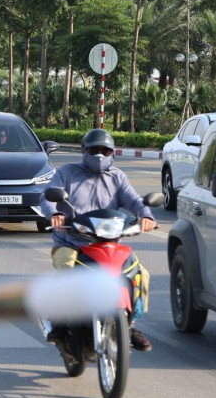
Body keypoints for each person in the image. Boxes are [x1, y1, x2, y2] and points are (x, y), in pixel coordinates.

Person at [38, 128, 157, 352]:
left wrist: (146, 215)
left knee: (140, 274)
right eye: (94, 150)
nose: (99, 155)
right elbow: (48, 195)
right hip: (72, 243)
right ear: (84, 151)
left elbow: (134, 200)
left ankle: (130, 325)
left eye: (105, 150)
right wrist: (54, 214)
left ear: (112, 153)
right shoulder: (67, 173)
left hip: (108, 244)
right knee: (66, 271)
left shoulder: (117, 177)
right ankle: (61, 323)